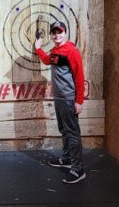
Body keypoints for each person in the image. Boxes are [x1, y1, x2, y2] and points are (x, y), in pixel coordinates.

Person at [33, 21, 86, 184]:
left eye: (60, 32)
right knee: (64, 130)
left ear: (65, 33)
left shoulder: (71, 51)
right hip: (59, 98)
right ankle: (67, 158)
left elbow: (79, 77)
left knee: (72, 133)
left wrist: (79, 101)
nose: (57, 35)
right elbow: (48, 61)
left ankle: (78, 169)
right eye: (54, 33)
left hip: (69, 99)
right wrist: (38, 48)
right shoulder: (56, 50)